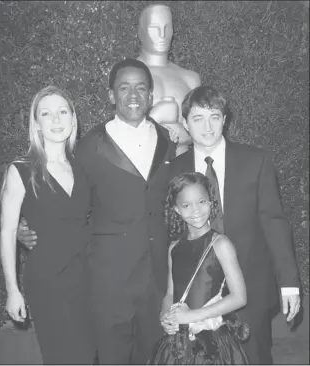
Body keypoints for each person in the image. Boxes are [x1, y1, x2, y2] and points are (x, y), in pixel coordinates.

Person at [17, 59, 177, 364]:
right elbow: (68, 201)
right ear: (110, 95)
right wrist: (32, 225)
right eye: (124, 87)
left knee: (154, 355)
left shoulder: (167, 140)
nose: (133, 94)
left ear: (151, 96)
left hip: (156, 277)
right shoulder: (89, 146)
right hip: (107, 279)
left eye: (141, 87)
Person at [169, 85, 301, 364]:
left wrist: (289, 283)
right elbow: (168, 231)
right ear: (184, 123)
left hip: (250, 291)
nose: (207, 127)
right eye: (197, 118)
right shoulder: (173, 169)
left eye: (214, 117)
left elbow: (274, 223)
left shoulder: (256, 161)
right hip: (195, 295)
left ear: (225, 119)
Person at [0, 86, 95, 365]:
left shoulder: (84, 167)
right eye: (46, 113)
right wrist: (12, 289)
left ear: (73, 120)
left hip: (88, 277)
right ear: (37, 124)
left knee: (90, 356)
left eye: (62, 112)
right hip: (48, 281)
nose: (55, 119)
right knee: (62, 357)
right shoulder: (21, 169)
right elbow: (7, 231)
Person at [148, 172, 250, 364]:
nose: (196, 211)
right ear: (177, 210)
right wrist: (165, 317)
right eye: (186, 205)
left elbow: (239, 297)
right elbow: (170, 294)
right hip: (177, 344)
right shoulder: (174, 248)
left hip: (212, 343)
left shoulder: (220, 244)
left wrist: (190, 316)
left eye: (201, 202)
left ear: (211, 202)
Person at [137, 3, 201, 156]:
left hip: (183, 169)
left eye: (167, 27)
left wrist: (179, 133)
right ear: (141, 32)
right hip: (141, 168)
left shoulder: (190, 78)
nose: (162, 34)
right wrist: (156, 117)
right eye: (154, 27)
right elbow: (120, 131)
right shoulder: (126, 76)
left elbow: (202, 130)